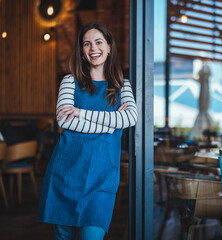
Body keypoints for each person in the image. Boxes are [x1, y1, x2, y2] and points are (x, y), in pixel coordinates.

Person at [38, 23, 137, 240]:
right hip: (66, 173)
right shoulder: (69, 82)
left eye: (99, 42)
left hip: (103, 176)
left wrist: (81, 113)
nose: (93, 48)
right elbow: (66, 121)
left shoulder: (123, 85)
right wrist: (113, 124)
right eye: (87, 44)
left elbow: (130, 118)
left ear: (109, 47)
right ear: (82, 51)